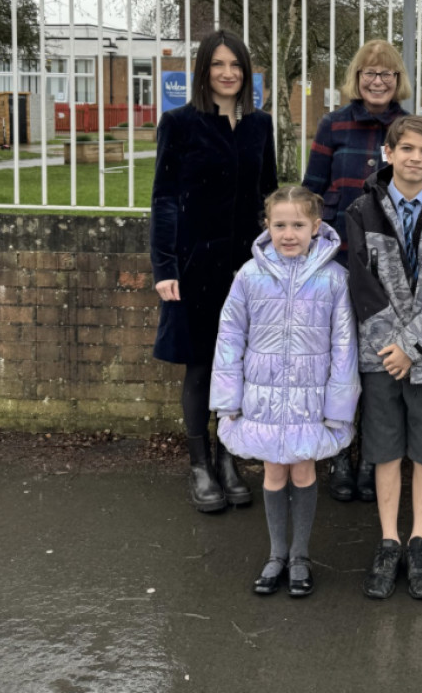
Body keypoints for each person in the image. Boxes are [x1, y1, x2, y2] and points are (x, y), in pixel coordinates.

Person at [210, 186, 360, 597]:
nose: (288, 233)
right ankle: (276, 554)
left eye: (298, 225)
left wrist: (339, 406)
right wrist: (228, 399)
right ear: (267, 227)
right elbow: (230, 337)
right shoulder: (249, 275)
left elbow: (345, 345)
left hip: (311, 399)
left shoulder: (334, 278)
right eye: (280, 225)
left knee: (304, 469)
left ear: (316, 226)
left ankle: (300, 556)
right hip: (262, 395)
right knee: (274, 470)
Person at [150, 29, 277, 513]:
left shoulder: (259, 125)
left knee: (240, 365)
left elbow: (269, 195)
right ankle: (200, 465)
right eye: (219, 65)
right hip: (193, 263)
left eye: (236, 66)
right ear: (203, 71)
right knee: (202, 363)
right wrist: (165, 265)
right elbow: (163, 199)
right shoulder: (179, 123)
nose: (228, 73)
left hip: (246, 266)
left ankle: (229, 458)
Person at [345, 116, 422, 600]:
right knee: (384, 448)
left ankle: (419, 539)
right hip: (381, 355)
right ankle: (388, 540)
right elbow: (363, 285)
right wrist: (392, 350)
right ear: (389, 152)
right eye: (407, 148)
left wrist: (413, 348)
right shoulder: (362, 211)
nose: (416, 158)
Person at [303, 39, 411, 503]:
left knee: (380, 363)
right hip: (340, 258)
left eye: (386, 74)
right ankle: (339, 457)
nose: (378, 81)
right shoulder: (334, 124)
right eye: (369, 73)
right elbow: (312, 188)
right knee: (338, 358)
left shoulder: (407, 128)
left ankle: (373, 456)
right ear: (356, 77)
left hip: (389, 264)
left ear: (397, 80)